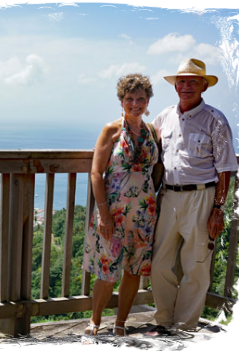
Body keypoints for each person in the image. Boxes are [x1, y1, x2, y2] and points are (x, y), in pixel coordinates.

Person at [143, 58, 239, 351]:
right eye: (181, 81)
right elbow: (148, 150)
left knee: (196, 267)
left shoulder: (215, 120)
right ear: (175, 86)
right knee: (159, 264)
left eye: (192, 82)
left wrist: (217, 210)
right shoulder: (164, 117)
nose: (185, 87)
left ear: (204, 85)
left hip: (202, 198)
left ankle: (182, 331)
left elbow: (224, 169)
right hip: (168, 196)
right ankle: (163, 322)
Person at [81, 73, 158, 350]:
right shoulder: (111, 130)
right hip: (112, 213)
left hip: (144, 215)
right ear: (121, 101)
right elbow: (96, 173)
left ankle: (121, 324)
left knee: (134, 271)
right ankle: (94, 321)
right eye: (129, 99)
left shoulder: (151, 131)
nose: (135, 103)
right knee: (106, 270)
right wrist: (103, 214)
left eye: (140, 99)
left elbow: (156, 171)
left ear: (148, 101)